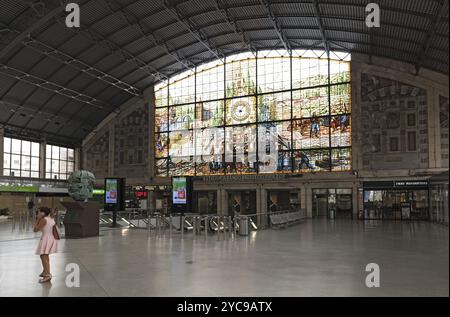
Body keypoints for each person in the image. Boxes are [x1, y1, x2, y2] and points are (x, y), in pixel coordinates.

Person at [33, 206, 58, 283]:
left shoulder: (43, 220)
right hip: (51, 239)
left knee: (44, 256)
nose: (38, 213)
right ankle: (45, 271)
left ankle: (47, 275)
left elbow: (35, 229)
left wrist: (38, 219)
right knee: (44, 256)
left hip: (46, 239)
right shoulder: (50, 218)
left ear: (43, 213)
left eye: (39, 212)